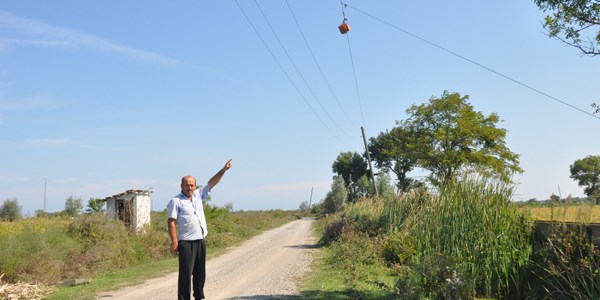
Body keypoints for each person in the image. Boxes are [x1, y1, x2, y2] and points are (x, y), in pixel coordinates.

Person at [167, 159, 232, 300]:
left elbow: (212, 182)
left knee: (200, 273)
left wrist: (224, 169)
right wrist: (174, 242)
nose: (189, 188)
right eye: (186, 185)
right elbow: (171, 222)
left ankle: (198, 296)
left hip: (200, 241)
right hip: (186, 243)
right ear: (181, 186)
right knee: (185, 274)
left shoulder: (198, 195)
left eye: (191, 185)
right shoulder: (176, 201)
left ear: (195, 186)